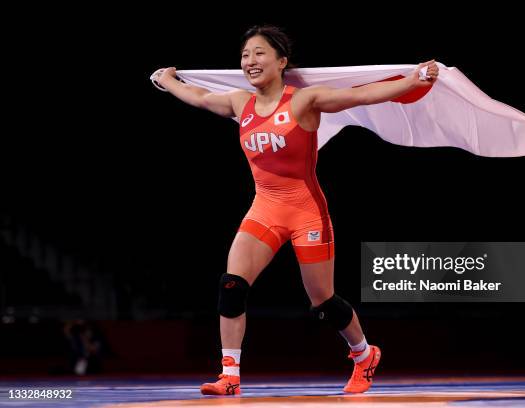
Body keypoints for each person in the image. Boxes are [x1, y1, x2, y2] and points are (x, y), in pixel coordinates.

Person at [152, 25, 438, 396]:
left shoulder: (304, 101)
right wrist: (167, 80)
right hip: (264, 209)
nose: (250, 61)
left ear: (281, 61)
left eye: (259, 54)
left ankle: (364, 354)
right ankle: (230, 376)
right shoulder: (240, 103)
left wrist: (413, 78)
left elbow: (364, 95)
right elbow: (200, 96)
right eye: (245, 55)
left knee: (323, 302)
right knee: (231, 286)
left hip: (306, 213)